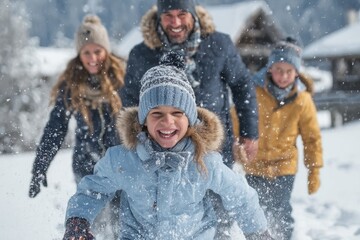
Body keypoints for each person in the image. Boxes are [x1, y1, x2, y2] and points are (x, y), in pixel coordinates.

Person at [62, 53, 273, 240]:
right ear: (143, 120)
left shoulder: (204, 161)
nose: (167, 122)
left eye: (177, 113)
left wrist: (257, 233)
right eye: (157, 114)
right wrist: (78, 220)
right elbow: (93, 190)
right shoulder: (124, 159)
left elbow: (240, 197)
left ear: (189, 119)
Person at [121, 0, 259, 167]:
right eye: (168, 16)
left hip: (214, 151)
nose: (175, 22)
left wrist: (249, 133)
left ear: (193, 15)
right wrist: (136, 143)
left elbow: (242, 85)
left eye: (182, 14)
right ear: (159, 17)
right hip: (160, 153)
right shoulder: (141, 54)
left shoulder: (219, 44)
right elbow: (130, 101)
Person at [28, 14, 125, 237]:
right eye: (86, 52)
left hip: (122, 166)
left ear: (106, 50)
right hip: (87, 168)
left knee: (123, 227)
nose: (92, 58)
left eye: (97, 51)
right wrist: (40, 167)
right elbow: (55, 128)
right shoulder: (71, 84)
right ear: (79, 54)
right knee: (94, 226)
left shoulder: (124, 79)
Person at [235, 37, 323, 240]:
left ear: (297, 73)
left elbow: (312, 138)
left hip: (284, 167)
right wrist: (237, 146)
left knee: (280, 210)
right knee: (255, 209)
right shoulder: (254, 92)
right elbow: (237, 119)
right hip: (254, 163)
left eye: (289, 71)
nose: (284, 76)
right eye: (279, 69)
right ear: (270, 69)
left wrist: (314, 169)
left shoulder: (303, 100)